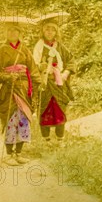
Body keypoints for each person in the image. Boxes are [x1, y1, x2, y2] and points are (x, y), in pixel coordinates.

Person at [0, 17, 41, 166]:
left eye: (15, 31)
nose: (12, 33)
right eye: (9, 30)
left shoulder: (25, 51)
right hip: (8, 90)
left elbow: (33, 70)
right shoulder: (0, 52)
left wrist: (37, 86)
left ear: (19, 33)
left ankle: (19, 153)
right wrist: (7, 76)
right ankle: (9, 154)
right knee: (11, 120)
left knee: (23, 120)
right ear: (6, 33)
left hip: (23, 88)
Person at [32, 13, 76, 147]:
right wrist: (41, 67)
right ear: (42, 31)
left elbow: (71, 61)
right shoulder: (39, 47)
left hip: (58, 83)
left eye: (52, 29)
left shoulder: (60, 47)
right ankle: (47, 140)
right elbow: (32, 65)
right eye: (47, 29)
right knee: (44, 110)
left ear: (56, 31)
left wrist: (66, 73)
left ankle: (60, 139)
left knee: (59, 110)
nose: (50, 32)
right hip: (44, 84)